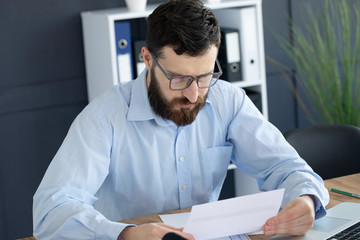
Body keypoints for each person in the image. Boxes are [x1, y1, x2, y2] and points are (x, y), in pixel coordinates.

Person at [33, 0, 329, 239]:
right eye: (178, 78)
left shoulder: (227, 100)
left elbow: (285, 166)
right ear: (147, 59)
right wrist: (126, 235)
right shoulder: (103, 118)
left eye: (203, 77)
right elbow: (51, 212)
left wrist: (305, 199)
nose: (192, 94)